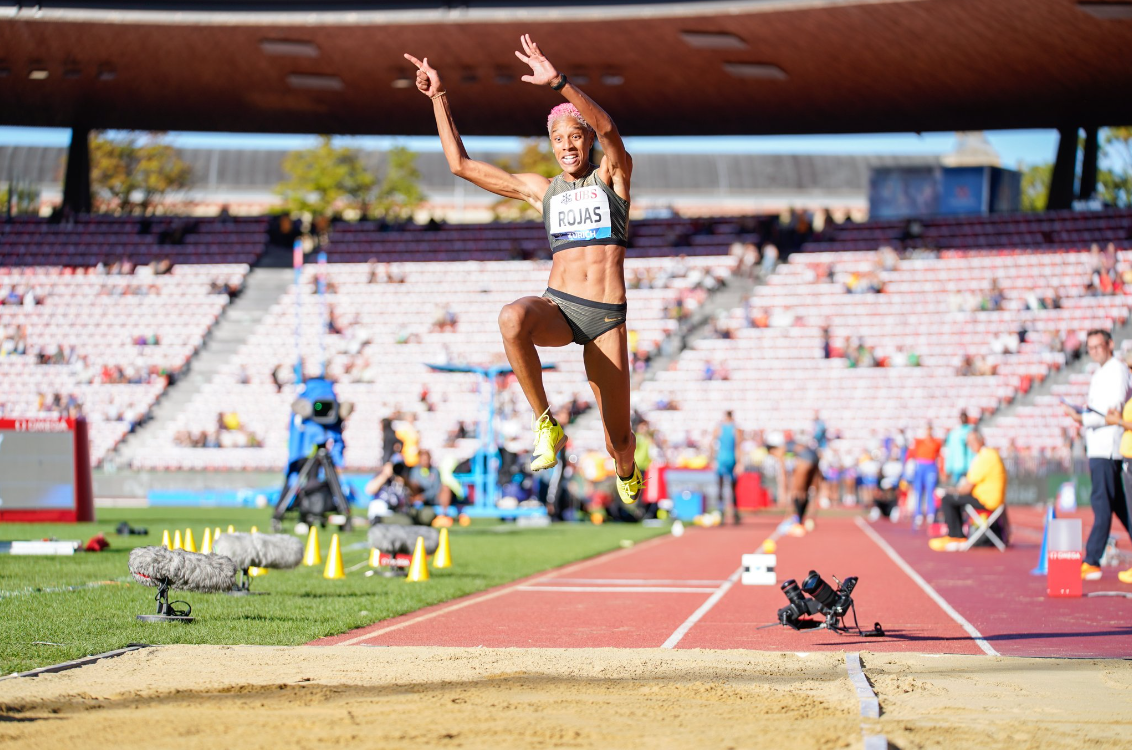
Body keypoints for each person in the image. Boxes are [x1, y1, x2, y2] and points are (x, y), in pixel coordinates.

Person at [405, 35, 642, 505]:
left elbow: (611, 129)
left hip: (605, 319)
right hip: (560, 306)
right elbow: (461, 165)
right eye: (559, 140)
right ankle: (545, 423)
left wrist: (560, 84)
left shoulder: (612, 177)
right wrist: (438, 97)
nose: (568, 146)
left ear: (587, 139)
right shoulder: (543, 190)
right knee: (511, 317)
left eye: (576, 136)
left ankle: (627, 467)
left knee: (618, 437)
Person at [1064, 330, 1131, 580]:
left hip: (1108, 447)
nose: (1094, 352)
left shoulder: (1117, 369)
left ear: (1109, 344)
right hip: (1098, 445)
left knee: (1102, 503)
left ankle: (1092, 560)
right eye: (1090, 348)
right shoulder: (1101, 372)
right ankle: (1092, 559)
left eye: (1098, 346)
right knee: (1120, 506)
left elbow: (1112, 410)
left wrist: (1082, 417)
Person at [929, 430, 1007, 551]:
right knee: (955, 498)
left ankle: (956, 537)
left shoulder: (985, 457)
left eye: (972, 442)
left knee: (948, 499)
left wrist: (950, 491)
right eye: (968, 442)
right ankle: (957, 536)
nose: (970, 445)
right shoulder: (987, 455)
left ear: (981, 440)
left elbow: (967, 488)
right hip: (987, 498)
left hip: (987, 501)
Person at [909, 422, 943, 529]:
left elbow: (939, 455)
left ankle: (931, 513)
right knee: (918, 490)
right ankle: (918, 513)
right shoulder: (918, 442)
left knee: (930, 490)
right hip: (920, 466)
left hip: (930, 466)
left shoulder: (936, 442)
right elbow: (911, 454)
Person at [711, 411, 741, 525]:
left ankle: (721, 513)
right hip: (730, 458)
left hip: (721, 458)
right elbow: (738, 446)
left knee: (721, 487)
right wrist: (739, 462)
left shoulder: (719, 428)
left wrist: (713, 459)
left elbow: (712, 444)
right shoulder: (735, 429)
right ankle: (734, 513)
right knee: (733, 488)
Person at [943, 410, 976, 484]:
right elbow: (950, 451)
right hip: (958, 466)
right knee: (958, 490)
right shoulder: (954, 434)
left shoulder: (973, 431)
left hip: (971, 466)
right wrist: (948, 468)